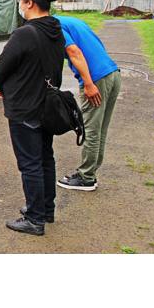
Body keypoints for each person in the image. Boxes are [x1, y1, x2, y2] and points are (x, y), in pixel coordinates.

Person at [0, 0, 65, 236]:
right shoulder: (55, 28)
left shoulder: (25, 32)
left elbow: (4, 64)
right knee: (45, 158)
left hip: (25, 106)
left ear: (30, 3)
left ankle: (35, 219)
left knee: (29, 163)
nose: (20, 5)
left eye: (21, 0)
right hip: (47, 106)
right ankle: (45, 209)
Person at [56, 15, 121, 191]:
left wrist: (88, 83)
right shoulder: (71, 21)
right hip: (112, 72)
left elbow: (74, 51)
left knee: (91, 129)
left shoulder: (54, 25)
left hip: (96, 79)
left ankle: (86, 178)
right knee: (100, 129)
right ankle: (90, 172)